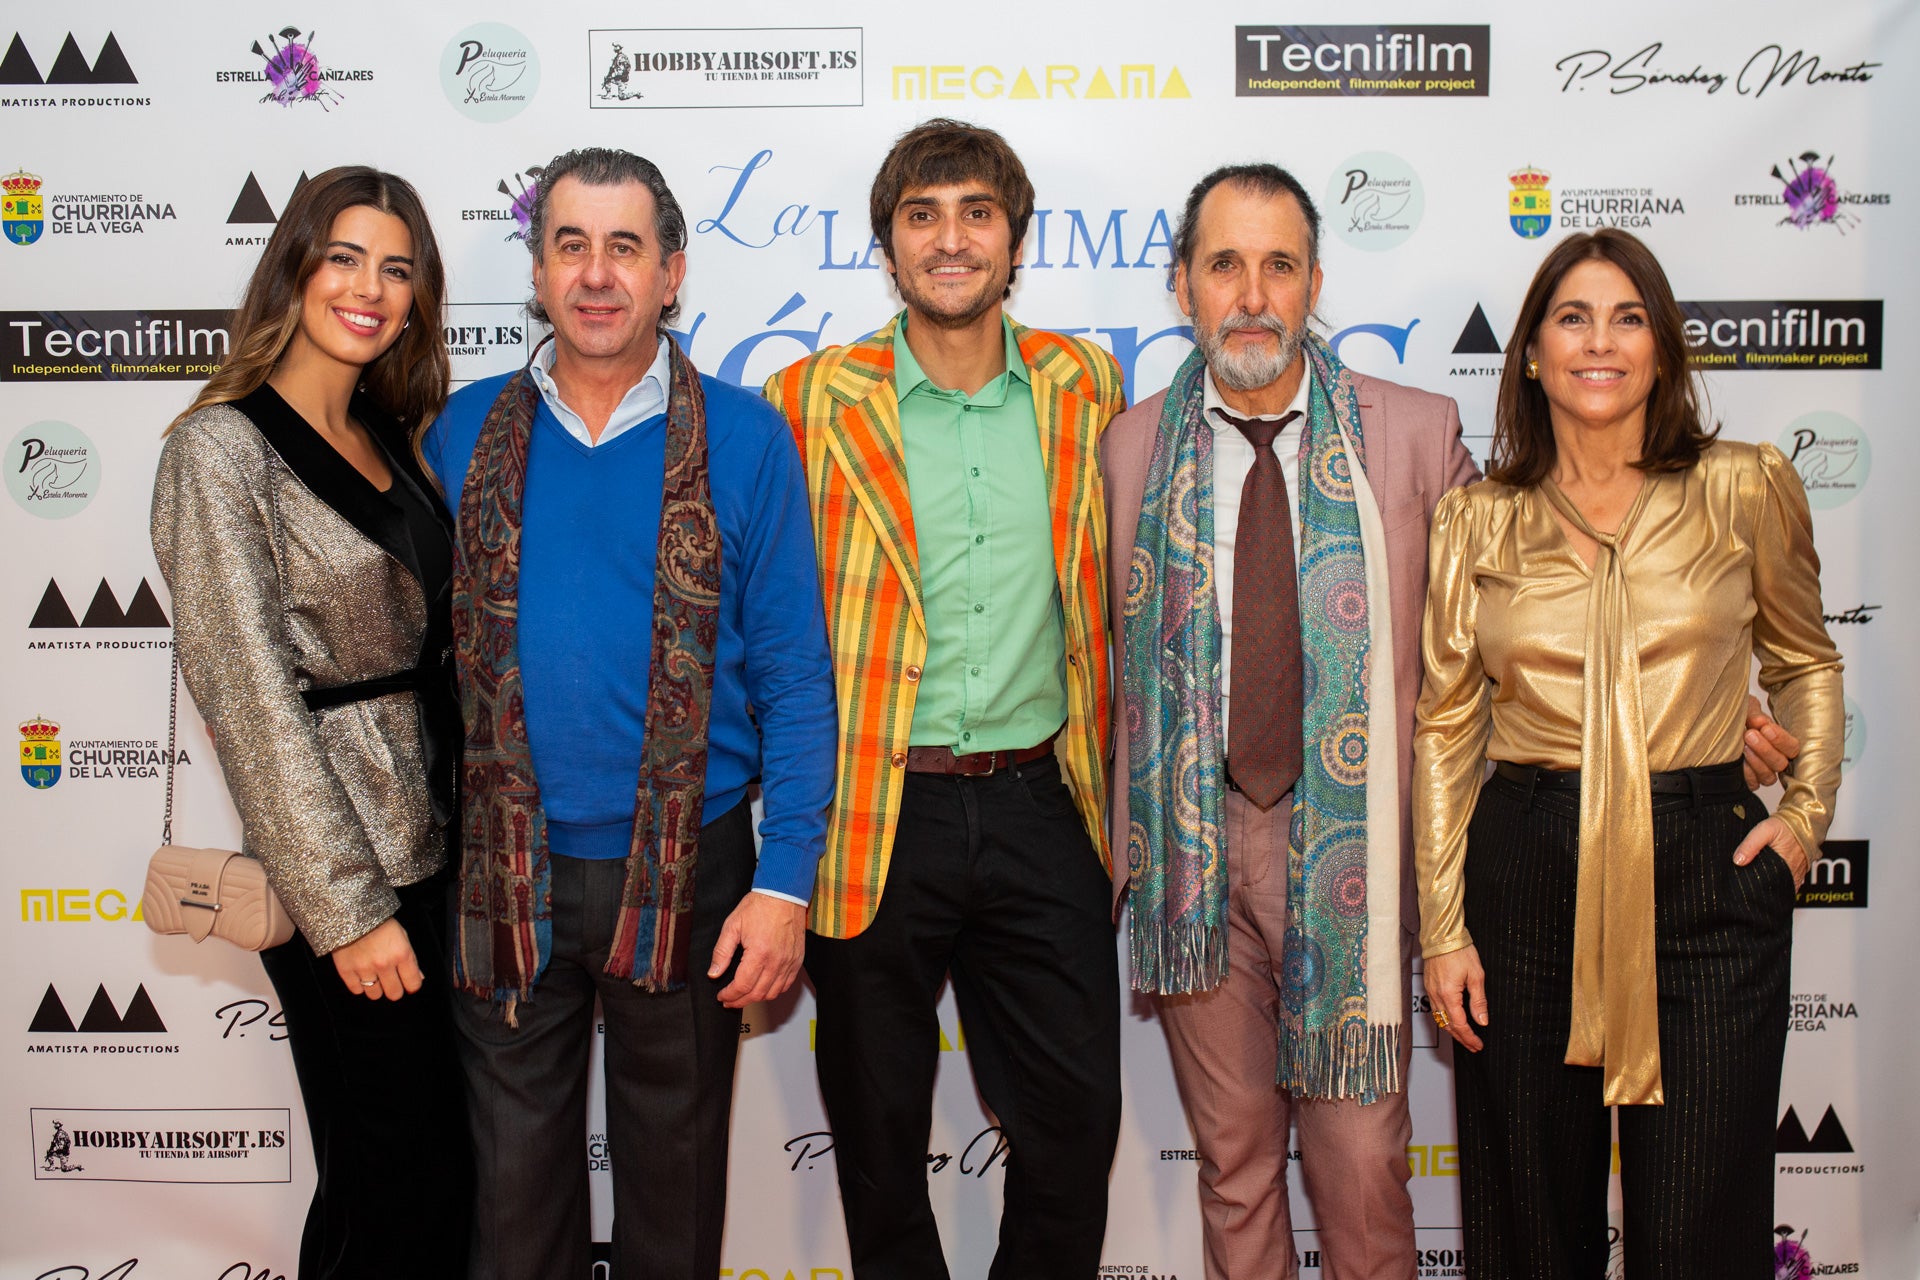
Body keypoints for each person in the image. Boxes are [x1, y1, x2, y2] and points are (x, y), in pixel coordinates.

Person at [420, 146, 836, 1280]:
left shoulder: (747, 438)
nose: (596, 274)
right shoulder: (460, 436)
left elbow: (799, 673)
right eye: (570, 245)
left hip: (691, 871)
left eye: (624, 246)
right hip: (508, 870)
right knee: (510, 1210)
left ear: (672, 272)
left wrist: (784, 877)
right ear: (540, 271)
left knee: (675, 1201)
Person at [1415, 228, 1844, 1279]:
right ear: (1528, 353)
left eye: (1628, 316)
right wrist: (1440, 921)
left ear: (1664, 349)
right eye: (1572, 317)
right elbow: (1447, 720)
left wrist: (1802, 817)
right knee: (1526, 1228)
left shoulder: (1745, 485)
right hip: (1524, 869)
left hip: (1704, 868)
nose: (1599, 341)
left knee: (1700, 1221)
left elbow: (1805, 658)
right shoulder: (1478, 516)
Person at [764, 118, 1125, 1280]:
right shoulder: (806, 400)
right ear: (888, 245)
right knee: (876, 1144)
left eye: (977, 212)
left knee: (1074, 1131)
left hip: (1040, 801)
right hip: (876, 818)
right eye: (922, 216)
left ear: (1016, 240)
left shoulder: (1084, 384)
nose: (951, 238)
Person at [1105, 162, 1472, 1280]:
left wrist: (1681, 684)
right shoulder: (1129, 448)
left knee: (1362, 1166)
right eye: (1225, 265)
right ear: (1184, 287)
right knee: (1235, 1162)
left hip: (1352, 846)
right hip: (1192, 850)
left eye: (1277, 265)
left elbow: (1507, 620)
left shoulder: (1410, 434)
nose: (1252, 294)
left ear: (1316, 281)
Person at [151, 164, 470, 1279]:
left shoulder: (398, 435)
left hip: (442, 854)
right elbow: (247, 694)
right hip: (349, 874)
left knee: (419, 1178)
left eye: (398, 268)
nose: (371, 288)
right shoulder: (220, 448)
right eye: (345, 257)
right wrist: (348, 910)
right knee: (397, 1184)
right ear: (294, 264)